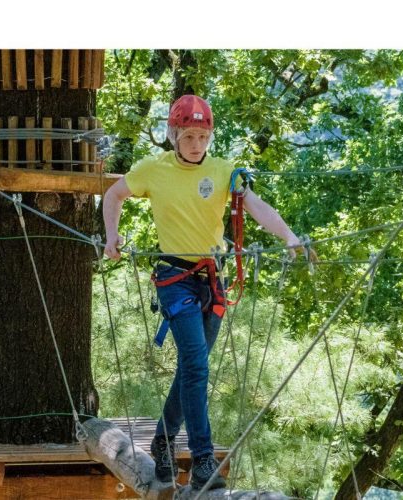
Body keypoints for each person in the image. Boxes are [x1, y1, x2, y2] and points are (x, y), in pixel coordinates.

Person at [102, 94, 316, 490]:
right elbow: (114, 193)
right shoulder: (155, 168)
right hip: (173, 278)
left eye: (202, 136)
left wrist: (288, 237)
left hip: (210, 281)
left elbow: (255, 205)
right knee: (197, 366)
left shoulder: (224, 171)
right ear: (173, 135)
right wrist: (111, 237)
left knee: (191, 369)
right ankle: (202, 460)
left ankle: (163, 442)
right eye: (188, 137)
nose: (196, 144)